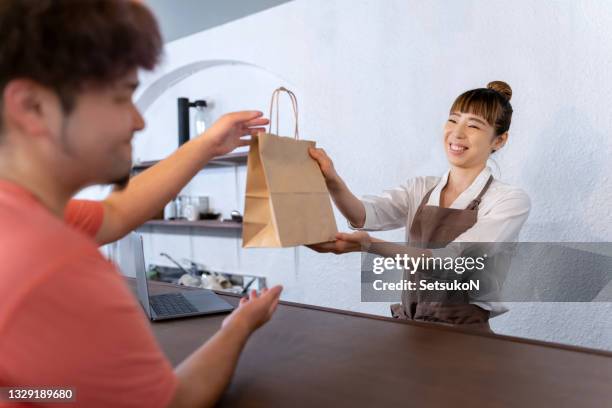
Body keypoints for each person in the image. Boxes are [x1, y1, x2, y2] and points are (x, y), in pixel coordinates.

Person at [0, 1, 281, 407]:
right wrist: (239, 327)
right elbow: (174, 401)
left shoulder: (24, 215)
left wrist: (205, 145)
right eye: (121, 97)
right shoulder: (53, 262)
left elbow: (115, 214)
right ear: (32, 106)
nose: (139, 120)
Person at [308, 81, 530, 330]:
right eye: (453, 120)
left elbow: (451, 262)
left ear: (499, 141)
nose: (457, 133)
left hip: (466, 338)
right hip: (410, 330)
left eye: (473, 125)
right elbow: (364, 215)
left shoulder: (508, 201)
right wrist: (331, 178)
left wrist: (368, 245)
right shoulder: (421, 188)